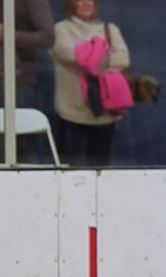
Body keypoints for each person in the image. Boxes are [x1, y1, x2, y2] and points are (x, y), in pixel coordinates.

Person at [0, 0, 54, 162]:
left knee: (19, 150)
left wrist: (9, 34)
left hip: (18, 83)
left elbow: (48, 37)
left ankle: (25, 177)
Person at [48, 0, 129, 166]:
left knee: (100, 172)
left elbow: (123, 59)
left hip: (105, 114)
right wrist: (106, 52)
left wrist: (87, 51)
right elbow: (70, 55)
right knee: (68, 170)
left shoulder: (110, 29)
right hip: (71, 113)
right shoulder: (60, 30)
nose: (86, 3)